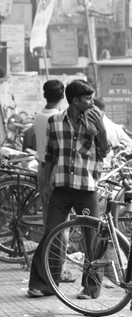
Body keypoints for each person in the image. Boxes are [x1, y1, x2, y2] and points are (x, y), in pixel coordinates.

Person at [27, 80, 110, 299]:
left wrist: (101, 130)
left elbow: (104, 151)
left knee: (92, 239)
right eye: (88, 99)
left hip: (87, 188)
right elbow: (51, 156)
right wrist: (45, 185)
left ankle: (91, 288)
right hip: (62, 188)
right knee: (51, 234)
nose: (92, 103)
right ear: (75, 101)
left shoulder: (95, 120)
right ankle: (44, 284)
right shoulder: (55, 122)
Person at [33, 80, 65, 225]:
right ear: (62, 96)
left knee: (49, 218)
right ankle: (57, 248)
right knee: (61, 222)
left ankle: (50, 247)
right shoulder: (59, 118)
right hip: (54, 170)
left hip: (42, 168)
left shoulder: (39, 116)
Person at [93, 97, 132, 164]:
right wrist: (119, 154)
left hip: (96, 167)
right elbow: (130, 144)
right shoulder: (116, 127)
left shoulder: (90, 126)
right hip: (112, 167)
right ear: (104, 109)